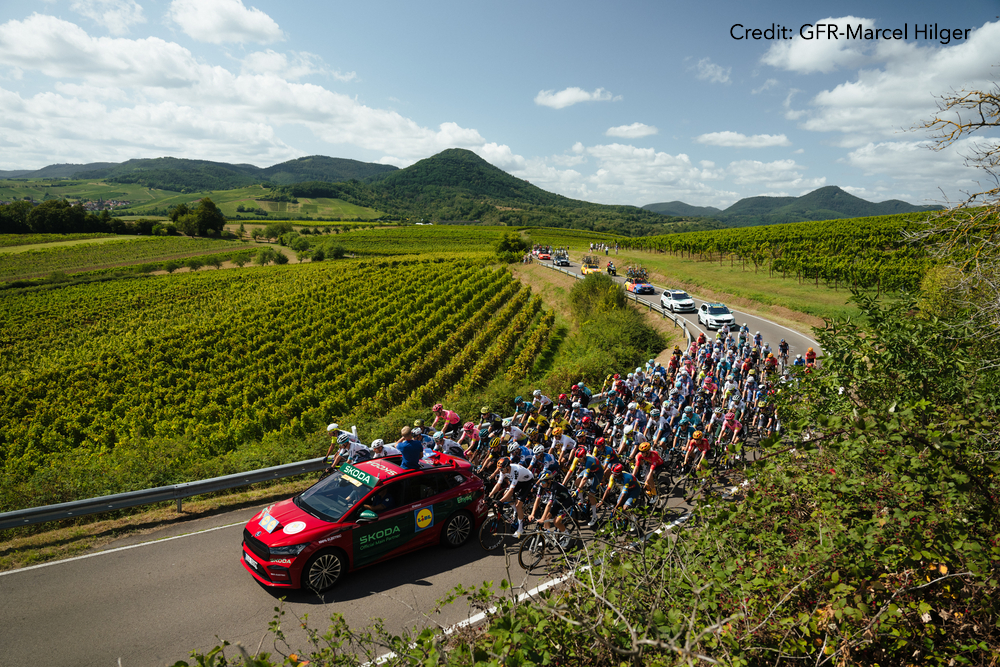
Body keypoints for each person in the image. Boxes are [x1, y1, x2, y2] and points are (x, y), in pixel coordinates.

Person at [490, 457, 535, 538]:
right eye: (500, 470)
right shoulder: (503, 470)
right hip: (519, 481)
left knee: (518, 505)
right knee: (505, 494)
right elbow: (498, 485)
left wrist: (500, 501)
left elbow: (511, 491)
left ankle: (520, 529)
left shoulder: (515, 470)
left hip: (527, 482)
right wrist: (489, 496)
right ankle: (516, 511)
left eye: (502, 470)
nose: (501, 472)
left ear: (507, 467)